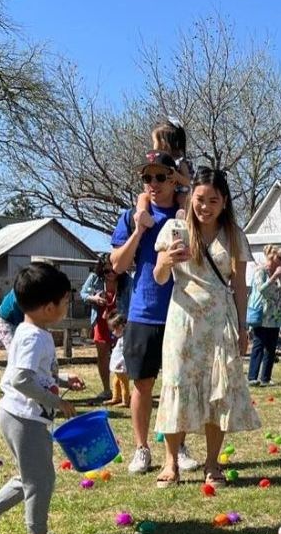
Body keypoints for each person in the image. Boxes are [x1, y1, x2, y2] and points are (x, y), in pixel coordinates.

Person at [0, 263, 85, 534]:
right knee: (41, 480)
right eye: (65, 302)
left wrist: (62, 379)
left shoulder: (30, 331)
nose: (67, 306)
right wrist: (57, 402)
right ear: (48, 307)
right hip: (24, 418)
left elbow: (35, 373)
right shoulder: (33, 337)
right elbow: (20, 379)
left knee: (31, 476)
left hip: (18, 416)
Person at [151, 166, 260, 488]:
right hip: (183, 319)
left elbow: (239, 286)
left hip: (219, 321)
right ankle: (171, 462)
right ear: (190, 198)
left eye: (213, 200)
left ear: (224, 201)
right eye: (200, 199)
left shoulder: (234, 235)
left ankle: (212, 463)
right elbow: (159, 277)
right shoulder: (174, 228)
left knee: (218, 389)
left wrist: (243, 327)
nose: (205, 207)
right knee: (177, 383)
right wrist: (166, 262)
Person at [110, 150, 194, 476]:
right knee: (142, 386)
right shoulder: (132, 215)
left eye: (160, 176)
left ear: (174, 180)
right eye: (147, 178)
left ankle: (179, 447)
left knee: (179, 386)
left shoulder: (189, 213)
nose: (153, 183)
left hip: (182, 312)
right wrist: (138, 231)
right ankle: (141, 449)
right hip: (143, 313)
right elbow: (118, 265)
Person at [247, 244, 281, 387]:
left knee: (271, 347)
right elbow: (262, 290)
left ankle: (266, 378)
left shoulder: (279, 274)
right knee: (259, 344)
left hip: (275, 315)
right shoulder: (260, 271)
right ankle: (252, 377)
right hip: (262, 313)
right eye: (280, 258)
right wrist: (274, 276)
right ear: (271, 257)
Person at [79, 255, 121, 400]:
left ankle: (121, 391)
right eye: (106, 271)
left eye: (113, 270)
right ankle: (106, 389)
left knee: (121, 356)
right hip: (101, 321)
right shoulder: (94, 278)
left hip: (119, 322)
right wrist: (94, 298)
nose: (110, 274)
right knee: (103, 356)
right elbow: (83, 293)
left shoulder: (126, 281)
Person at [136, 120, 194, 220]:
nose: (153, 145)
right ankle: (142, 214)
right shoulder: (157, 160)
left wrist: (176, 176)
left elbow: (188, 182)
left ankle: (182, 214)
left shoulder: (180, 161)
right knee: (143, 196)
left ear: (163, 143)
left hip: (181, 191)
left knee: (182, 198)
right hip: (164, 193)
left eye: (154, 141)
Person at [105, 313, 130, 407]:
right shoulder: (121, 339)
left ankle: (125, 401)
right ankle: (115, 398)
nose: (113, 332)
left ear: (121, 327)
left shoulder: (126, 339)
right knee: (115, 382)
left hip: (121, 366)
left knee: (123, 383)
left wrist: (121, 362)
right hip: (117, 366)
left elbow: (126, 353)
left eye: (114, 329)